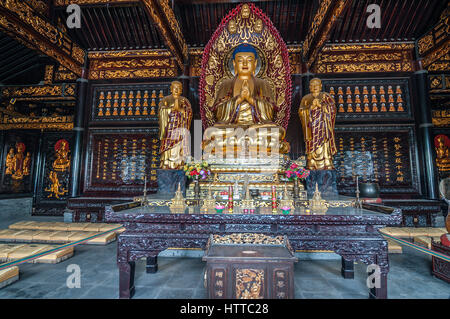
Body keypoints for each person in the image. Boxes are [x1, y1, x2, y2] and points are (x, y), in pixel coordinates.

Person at [299, 78, 337, 170]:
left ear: (320, 86)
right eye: (312, 85)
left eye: (317, 85)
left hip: (323, 126)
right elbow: (301, 112)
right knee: (311, 143)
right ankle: (311, 161)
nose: (315, 87)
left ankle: (327, 161)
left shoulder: (326, 96)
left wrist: (321, 106)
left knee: (325, 143)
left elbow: (333, 109)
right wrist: (311, 107)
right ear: (309, 87)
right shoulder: (306, 98)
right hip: (311, 127)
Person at [158, 81, 192, 170]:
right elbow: (161, 109)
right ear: (171, 89)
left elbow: (189, 112)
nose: (176, 90)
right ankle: (166, 162)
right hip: (169, 127)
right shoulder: (166, 99)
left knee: (180, 145)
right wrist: (171, 110)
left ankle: (180, 162)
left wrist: (182, 111)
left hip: (180, 127)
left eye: (179, 88)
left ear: (181, 90)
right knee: (168, 145)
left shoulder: (184, 100)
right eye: (174, 88)